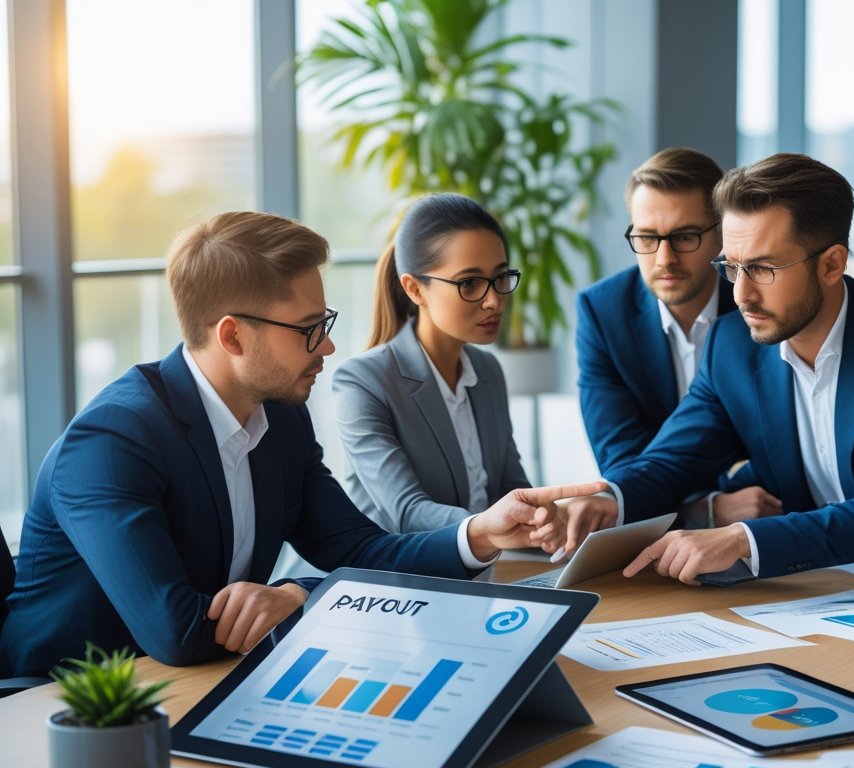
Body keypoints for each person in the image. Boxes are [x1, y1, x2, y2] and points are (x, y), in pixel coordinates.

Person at [0, 211, 603, 678]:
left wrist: (482, 534)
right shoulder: (113, 440)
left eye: (326, 322)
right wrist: (302, 595)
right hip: (69, 707)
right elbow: (176, 632)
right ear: (231, 335)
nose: (329, 348)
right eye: (309, 330)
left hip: (205, 682)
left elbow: (364, 550)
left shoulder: (281, 420)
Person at [549, 152, 854, 584]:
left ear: (832, 264)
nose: (740, 295)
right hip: (796, 583)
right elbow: (670, 461)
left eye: (762, 268)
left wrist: (742, 539)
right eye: (732, 267)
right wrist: (609, 498)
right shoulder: (732, 344)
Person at [576, 147, 779, 528]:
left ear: (721, 233)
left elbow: (775, 455)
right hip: (668, 531)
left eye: (684, 236)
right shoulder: (603, 313)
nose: (664, 258)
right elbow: (621, 461)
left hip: (767, 523)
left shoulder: (760, 304)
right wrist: (706, 510)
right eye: (647, 237)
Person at [332, 194, 531, 533]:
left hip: (487, 571)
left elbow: (510, 488)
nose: (495, 301)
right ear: (414, 289)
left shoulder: (487, 372)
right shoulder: (363, 382)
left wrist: (546, 516)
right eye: (469, 283)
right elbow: (407, 514)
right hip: (405, 578)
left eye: (501, 277)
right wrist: (493, 526)